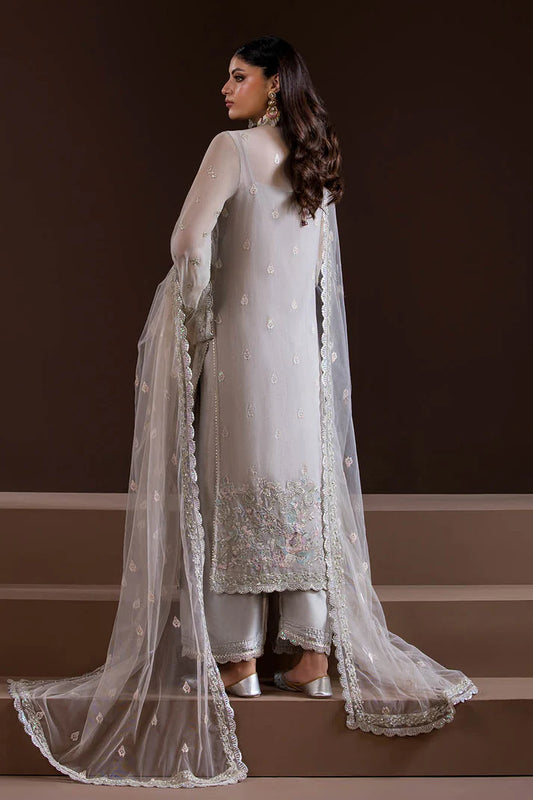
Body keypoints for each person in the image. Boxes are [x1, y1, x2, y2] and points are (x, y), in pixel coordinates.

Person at [8, 35, 478, 789]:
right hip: (300, 359)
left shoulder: (231, 150)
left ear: (272, 84)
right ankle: (313, 656)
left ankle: (239, 661)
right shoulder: (317, 161)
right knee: (297, 493)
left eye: (238, 76)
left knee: (235, 488)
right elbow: (320, 277)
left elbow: (185, 240)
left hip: (243, 352)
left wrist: (194, 314)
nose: (225, 89)